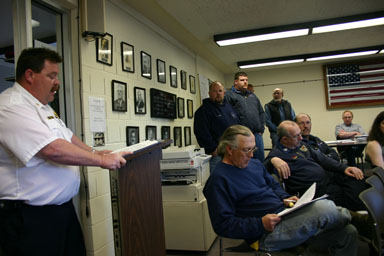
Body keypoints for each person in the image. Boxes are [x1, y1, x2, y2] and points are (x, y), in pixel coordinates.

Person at [0, 47, 129, 256]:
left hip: (61, 211)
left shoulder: (43, 107)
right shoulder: (10, 107)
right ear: (30, 75)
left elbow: (67, 137)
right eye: (52, 76)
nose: (57, 82)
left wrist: (97, 152)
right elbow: (51, 149)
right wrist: (101, 162)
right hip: (30, 218)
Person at [203, 125, 358, 255]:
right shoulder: (218, 180)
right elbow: (222, 225)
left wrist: (285, 197)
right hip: (265, 233)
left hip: (285, 214)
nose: (251, 155)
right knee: (324, 207)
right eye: (246, 150)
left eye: (253, 149)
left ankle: (352, 220)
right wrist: (259, 224)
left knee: (347, 232)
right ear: (229, 149)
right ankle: (358, 217)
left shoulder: (255, 164)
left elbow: (273, 185)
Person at [264, 121, 367, 211]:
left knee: (357, 178)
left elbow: (323, 159)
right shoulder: (277, 154)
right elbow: (262, 170)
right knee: (348, 193)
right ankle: (363, 218)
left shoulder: (302, 145)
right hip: (313, 189)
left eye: (300, 134)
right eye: (296, 136)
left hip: (327, 179)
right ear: (285, 139)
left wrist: (345, 168)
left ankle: (362, 212)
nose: (301, 138)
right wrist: (272, 160)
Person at [194, 81, 239, 172]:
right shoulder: (203, 111)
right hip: (217, 155)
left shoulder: (230, 108)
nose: (218, 93)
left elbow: (238, 126)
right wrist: (212, 149)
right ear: (209, 93)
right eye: (215, 91)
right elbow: (201, 132)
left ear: (224, 93)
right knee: (219, 180)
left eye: (220, 91)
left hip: (233, 151)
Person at [225, 72, 265, 161]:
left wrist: (261, 129)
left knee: (260, 161)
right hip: (241, 136)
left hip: (256, 135)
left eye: (246, 80)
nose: (245, 82)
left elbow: (261, 112)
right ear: (236, 82)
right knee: (244, 161)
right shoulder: (229, 95)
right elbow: (227, 115)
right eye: (242, 80)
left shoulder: (252, 95)